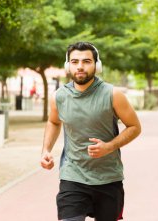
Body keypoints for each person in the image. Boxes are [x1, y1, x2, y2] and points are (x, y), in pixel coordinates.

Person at [40, 42, 142, 221]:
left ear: (97, 65)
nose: (80, 66)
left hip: (108, 178)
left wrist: (109, 147)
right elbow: (54, 122)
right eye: (74, 61)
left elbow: (134, 127)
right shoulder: (59, 97)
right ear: (68, 66)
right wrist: (46, 150)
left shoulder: (112, 95)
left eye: (86, 61)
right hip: (72, 176)